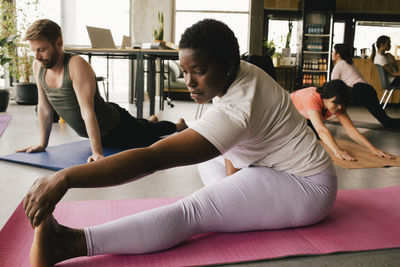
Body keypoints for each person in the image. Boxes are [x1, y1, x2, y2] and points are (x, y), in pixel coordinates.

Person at [24, 19, 337, 267]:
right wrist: (234, 193)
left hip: (306, 186)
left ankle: (70, 243)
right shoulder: (240, 72)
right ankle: (230, 207)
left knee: (191, 213)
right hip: (269, 163)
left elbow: (152, 159)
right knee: (209, 158)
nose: (188, 82)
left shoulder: (238, 107)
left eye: (199, 71)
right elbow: (232, 146)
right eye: (184, 71)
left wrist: (65, 178)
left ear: (228, 64)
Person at [16, 19, 187, 162]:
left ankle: (178, 125)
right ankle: (149, 121)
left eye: (41, 50)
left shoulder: (76, 65)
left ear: (58, 43)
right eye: (34, 51)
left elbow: (87, 110)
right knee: (145, 128)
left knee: (150, 134)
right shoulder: (38, 66)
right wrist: (42, 144)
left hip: (116, 127)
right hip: (102, 128)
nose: (37, 56)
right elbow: (45, 108)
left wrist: (97, 152)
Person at [291, 80, 394, 161]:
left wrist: (373, 149)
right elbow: (321, 129)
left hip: (304, 116)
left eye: (342, 103)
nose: (339, 107)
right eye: (335, 103)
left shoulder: (338, 104)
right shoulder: (312, 99)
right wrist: (337, 151)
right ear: (325, 98)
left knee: (318, 139)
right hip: (286, 113)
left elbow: (351, 130)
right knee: (307, 141)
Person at [331, 43, 400, 129]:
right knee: (387, 121)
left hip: (359, 91)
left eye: (333, 51)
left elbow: (332, 86)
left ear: (338, 54)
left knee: (336, 91)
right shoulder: (349, 64)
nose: (332, 53)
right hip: (369, 90)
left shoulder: (339, 65)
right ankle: (339, 116)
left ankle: (339, 116)